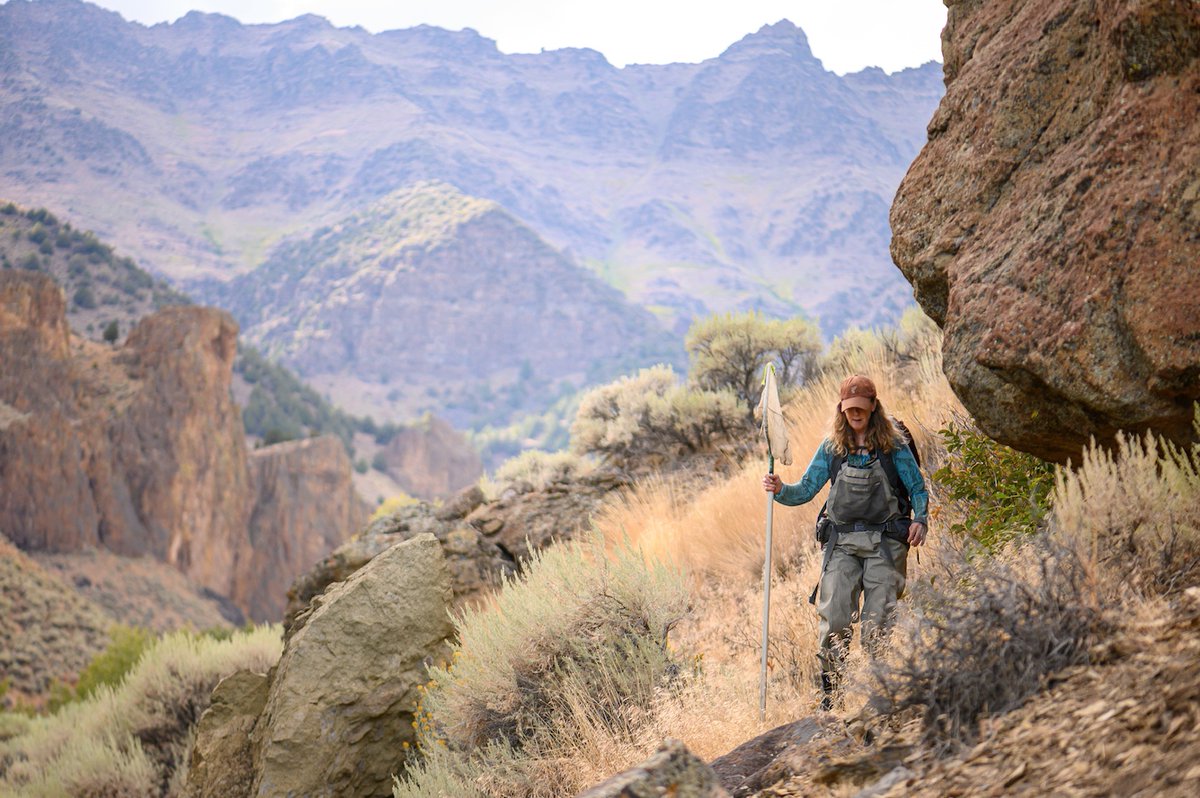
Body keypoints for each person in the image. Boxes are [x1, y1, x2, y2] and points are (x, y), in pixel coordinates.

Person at [762, 374, 928, 710]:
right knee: (835, 620)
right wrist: (780, 490)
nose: (855, 414)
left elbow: (917, 488)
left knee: (876, 628)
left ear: (873, 408)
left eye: (861, 408)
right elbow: (805, 490)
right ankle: (831, 701)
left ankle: (880, 702)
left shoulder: (893, 446)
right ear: (841, 408)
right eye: (849, 408)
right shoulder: (832, 448)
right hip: (842, 544)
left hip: (886, 543)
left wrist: (920, 520)